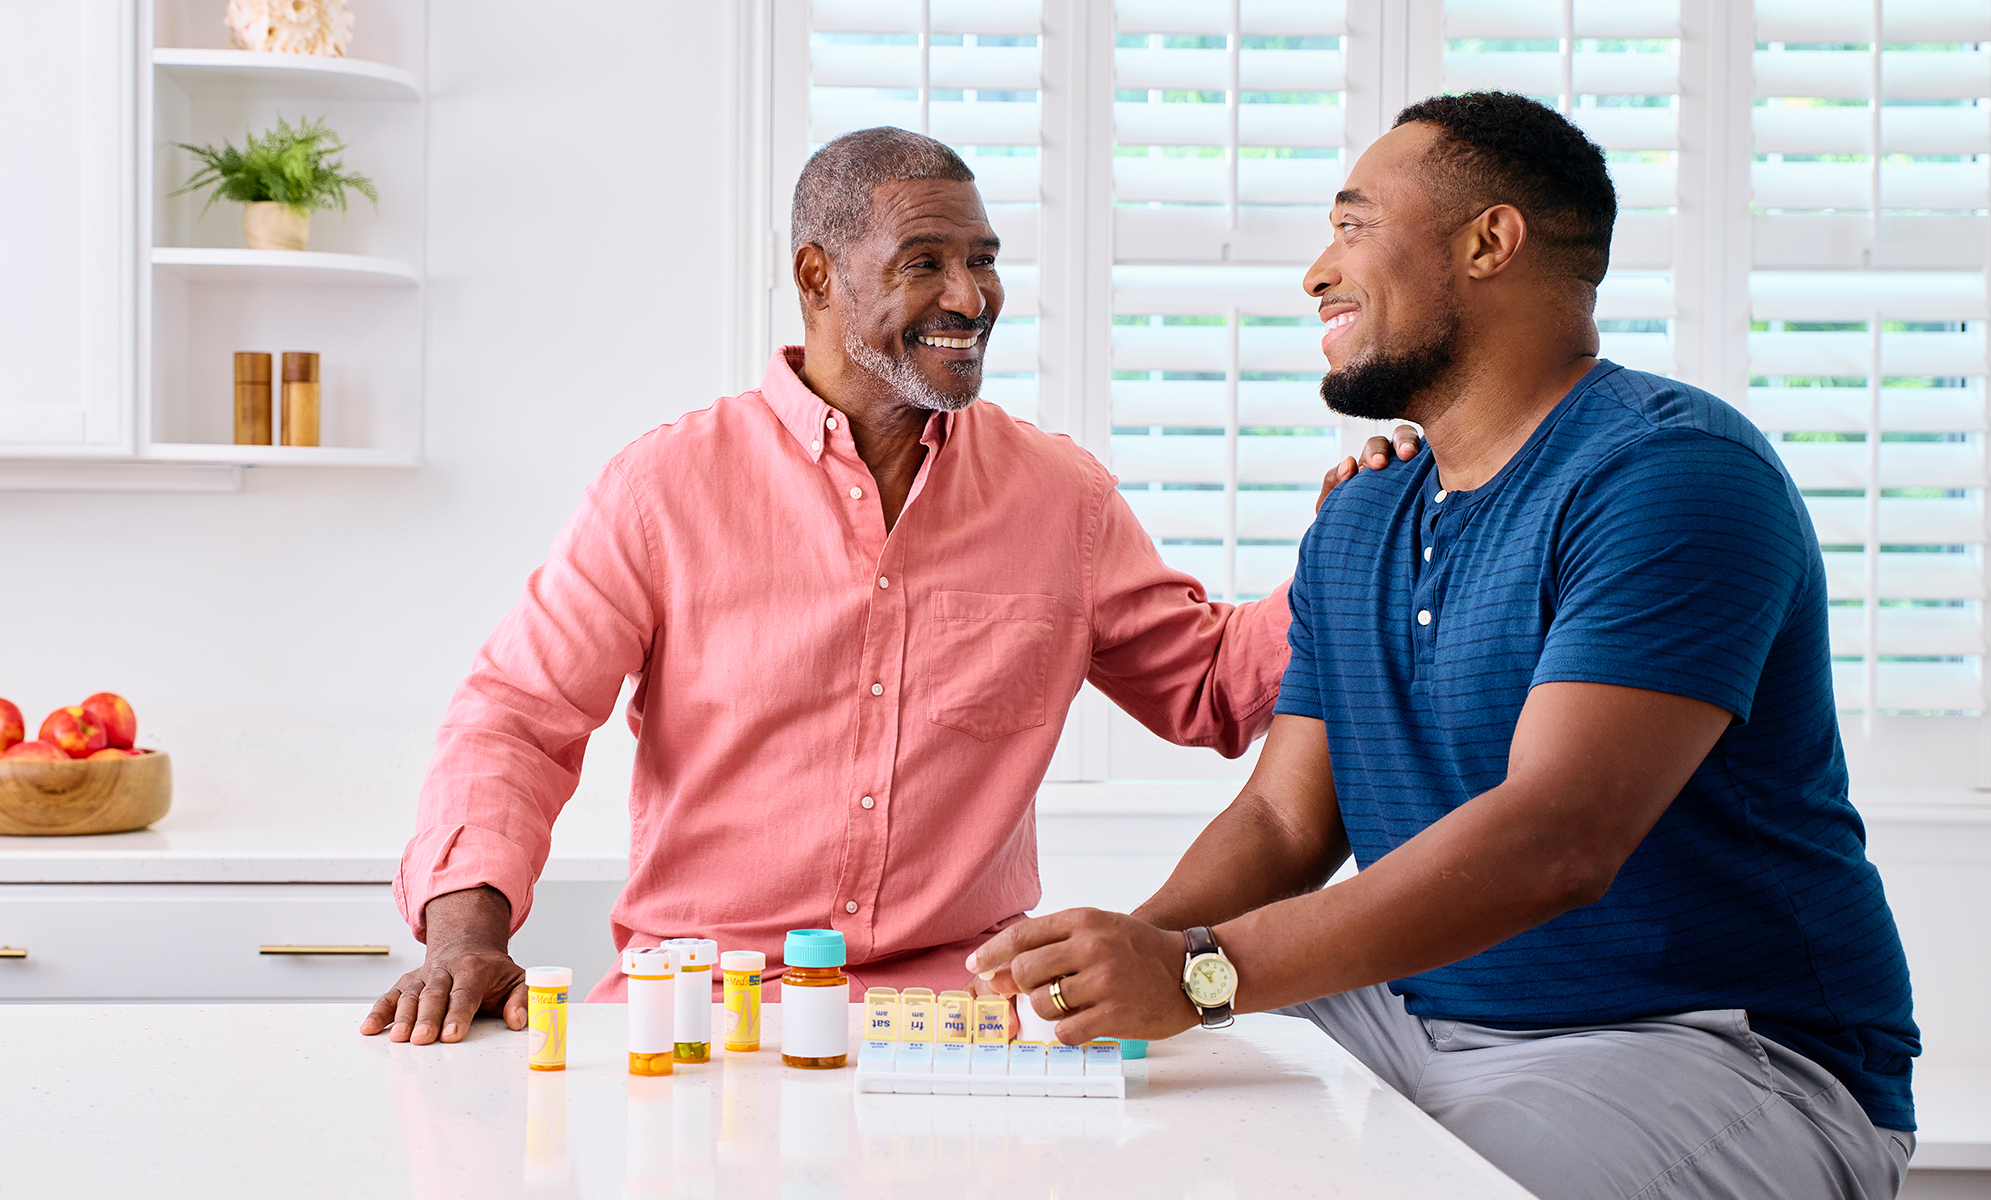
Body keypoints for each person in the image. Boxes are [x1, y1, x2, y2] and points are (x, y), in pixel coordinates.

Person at [969, 92, 1919, 1200]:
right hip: (1414, 1007)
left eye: (1353, 225)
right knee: (1108, 1148)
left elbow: (1558, 838)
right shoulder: (1364, 513)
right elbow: (1286, 818)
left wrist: (1199, 974)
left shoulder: (1671, 478)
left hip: (1705, 1046)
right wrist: (1114, 968)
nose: (1317, 271)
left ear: (1488, 241)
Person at [360, 127, 1416, 1046]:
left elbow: (1215, 691)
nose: (971, 297)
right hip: (704, 1012)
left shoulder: (1061, 498)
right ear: (818, 277)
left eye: (983, 261)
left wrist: (1345, 544)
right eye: (925, 262)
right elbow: (514, 718)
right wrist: (465, 936)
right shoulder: (664, 488)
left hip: (965, 1021)